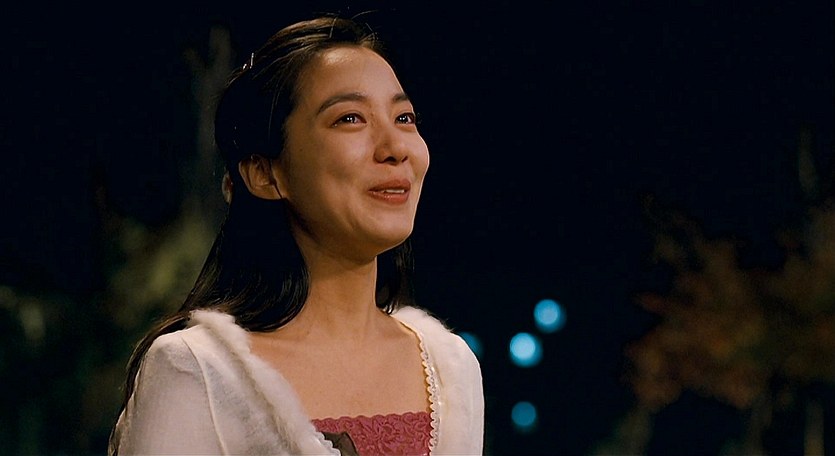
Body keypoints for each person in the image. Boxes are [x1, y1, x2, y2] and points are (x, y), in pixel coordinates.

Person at [108, 13, 484, 456]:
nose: (395, 148)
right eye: (350, 118)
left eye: (404, 117)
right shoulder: (199, 370)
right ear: (266, 174)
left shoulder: (449, 368)